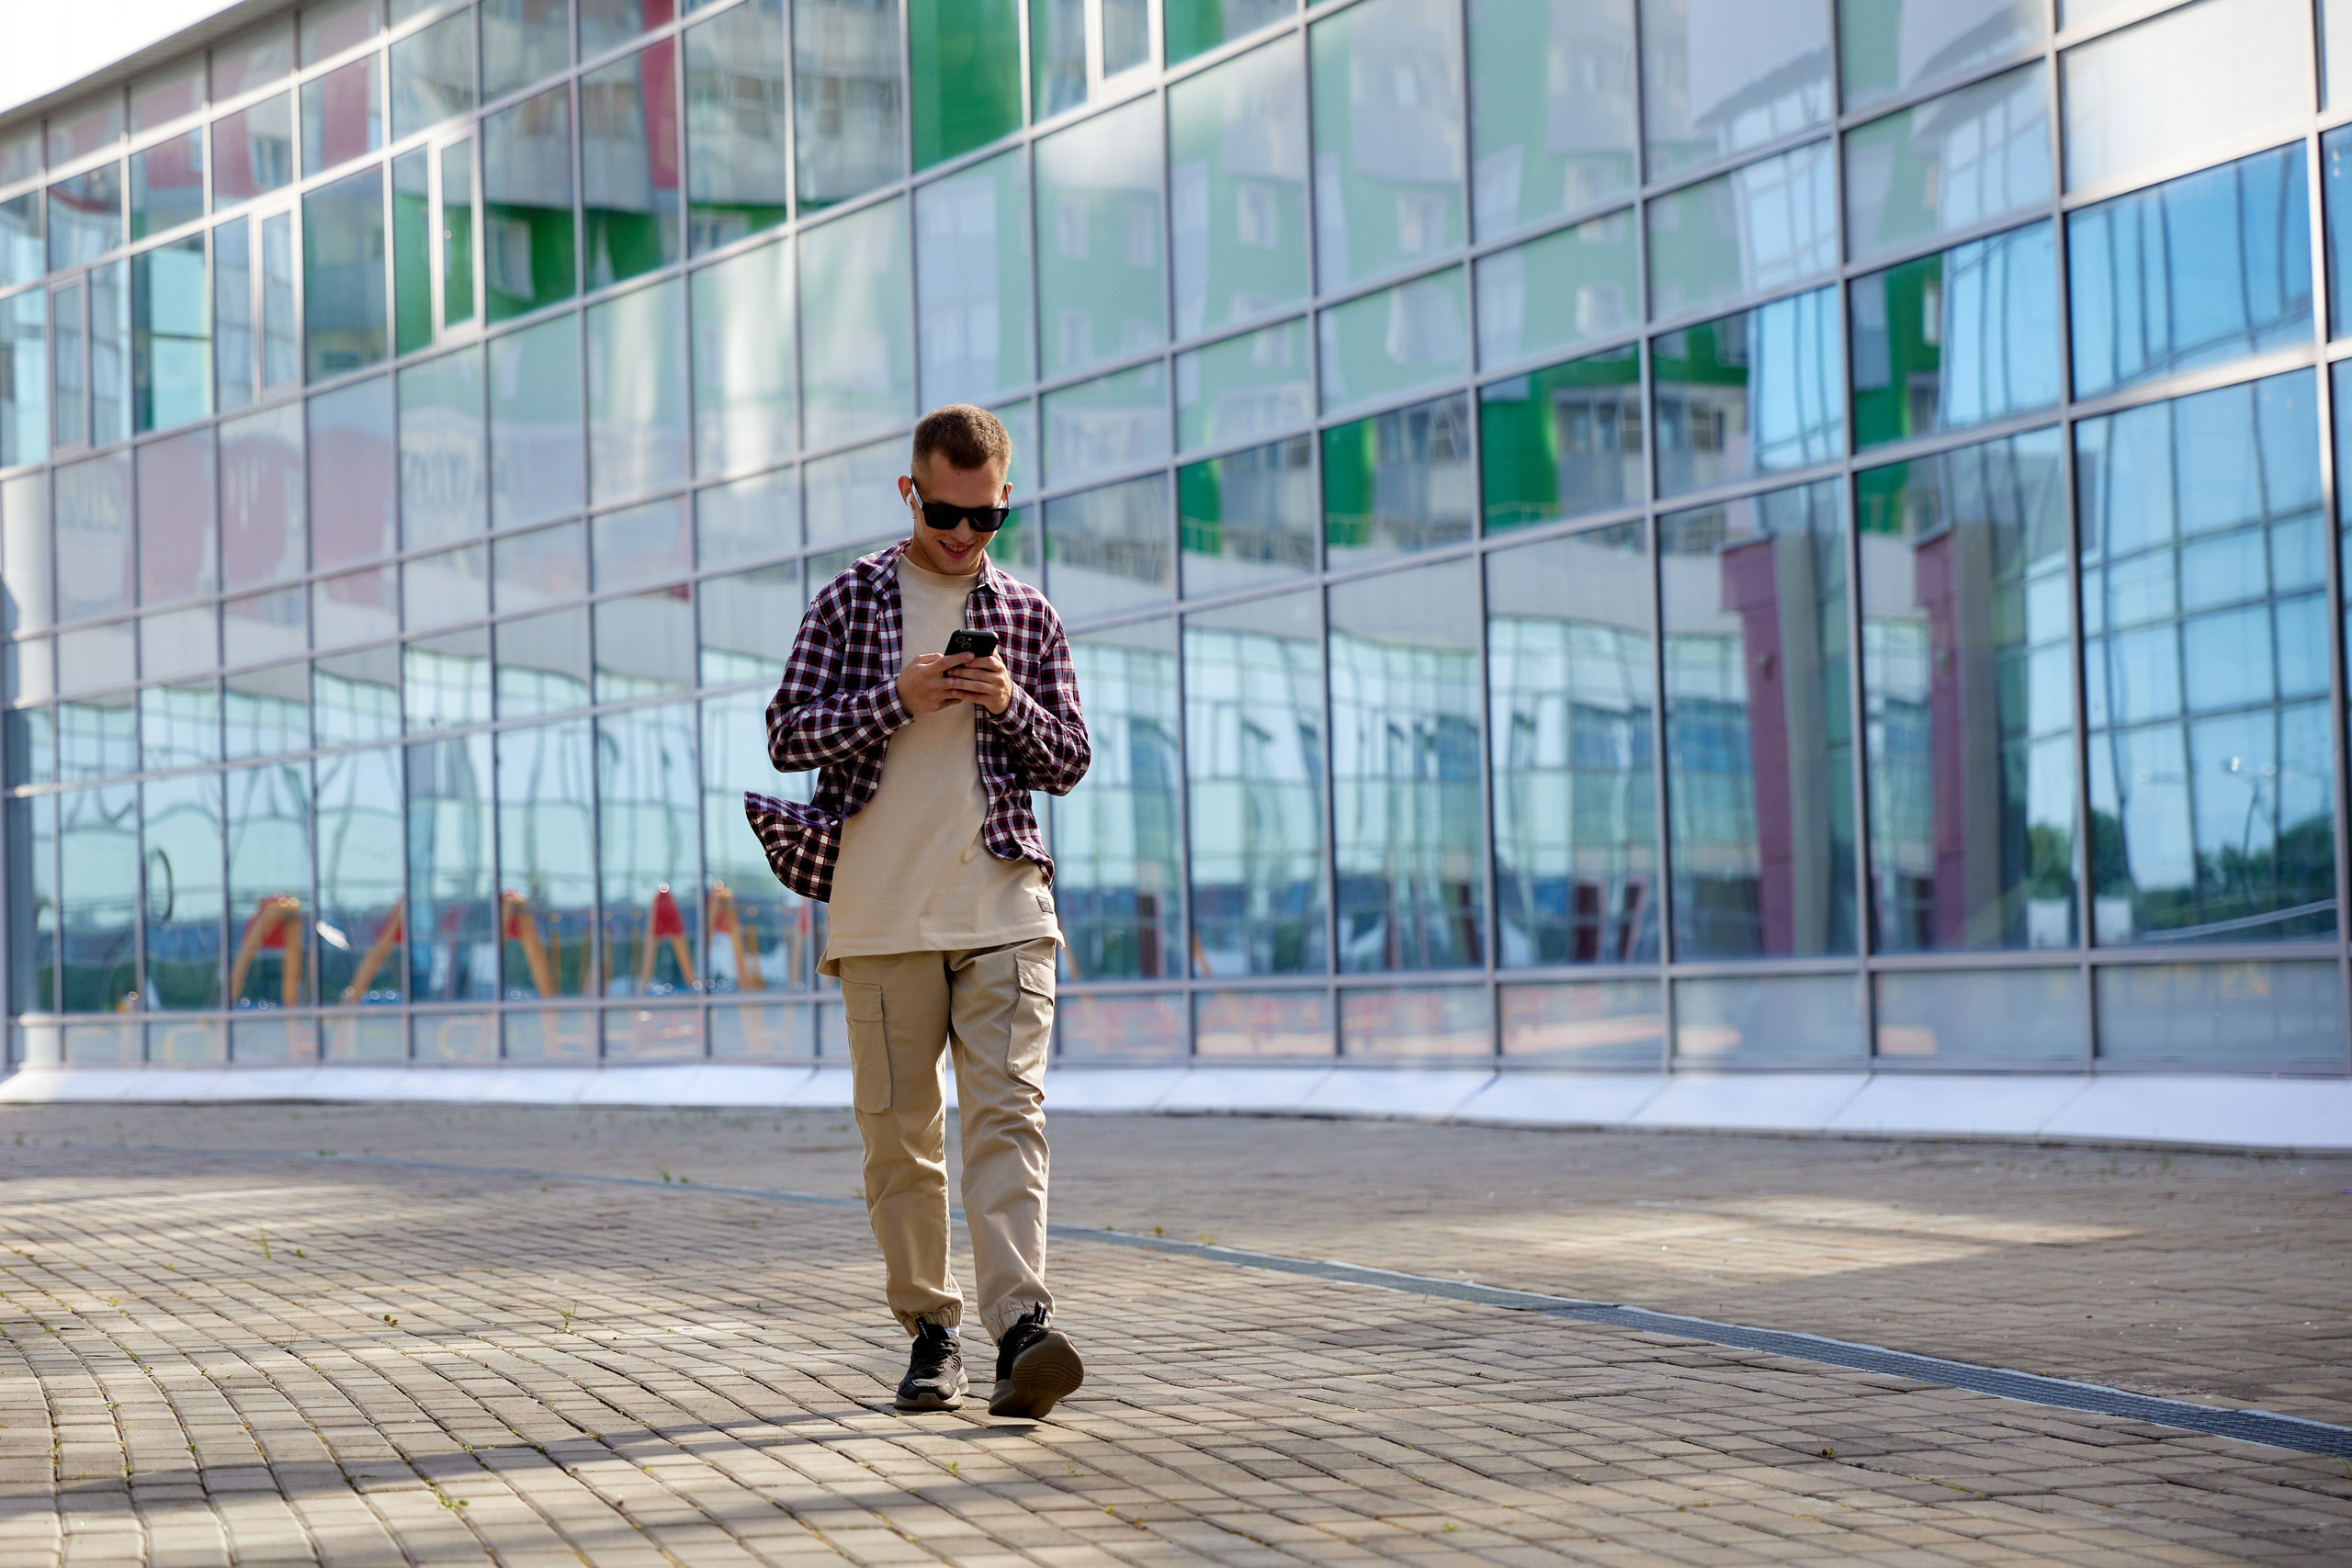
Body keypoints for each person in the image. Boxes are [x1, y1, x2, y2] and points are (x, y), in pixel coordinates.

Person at [743, 404, 1091, 1418]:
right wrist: (895, 697)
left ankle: (1021, 1328)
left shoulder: (1025, 615)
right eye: (944, 511)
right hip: (883, 912)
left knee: (1008, 1118)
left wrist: (1006, 701)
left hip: (1005, 905)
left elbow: (1067, 759)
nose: (962, 534)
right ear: (911, 492)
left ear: (1004, 502)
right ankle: (929, 1332)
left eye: (984, 518)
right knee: (901, 1138)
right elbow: (786, 737)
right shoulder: (850, 601)